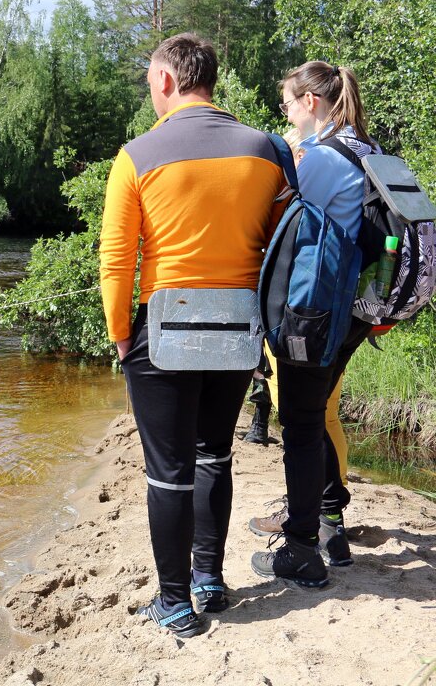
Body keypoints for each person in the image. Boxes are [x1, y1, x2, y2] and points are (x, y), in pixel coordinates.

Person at [99, 33, 285, 638]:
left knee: (167, 470)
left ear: (165, 81)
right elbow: (283, 246)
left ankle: (175, 603)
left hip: (165, 326)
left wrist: (122, 336)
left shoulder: (137, 155)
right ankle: (210, 580)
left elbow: (115, 260)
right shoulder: (266, 150)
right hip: (237, 327)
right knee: (215, 454)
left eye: (150, 82)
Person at [248, 62, 382, 583]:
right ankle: (331, 529)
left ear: (310, 102)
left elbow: (270, 207)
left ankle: (302, 550)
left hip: (318, 309)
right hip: (354, 313)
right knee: (317, 416)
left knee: (301, 424)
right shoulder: (365, 150)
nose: (285, 111)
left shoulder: (322, 159)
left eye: (287, 102)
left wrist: (289, 148)